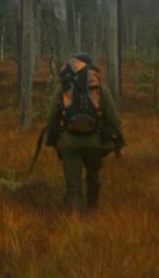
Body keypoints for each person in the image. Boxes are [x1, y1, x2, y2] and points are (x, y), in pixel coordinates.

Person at [44, 52, 124, 214]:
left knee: (73, 187)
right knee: (93, 175)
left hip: (68, 143)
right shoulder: (99, 86)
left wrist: (53, 138)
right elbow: (113, 118)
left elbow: (51, 115)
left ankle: (75, 222)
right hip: (94, 143)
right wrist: (119, 141)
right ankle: (92, 208)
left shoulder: (64, 86)